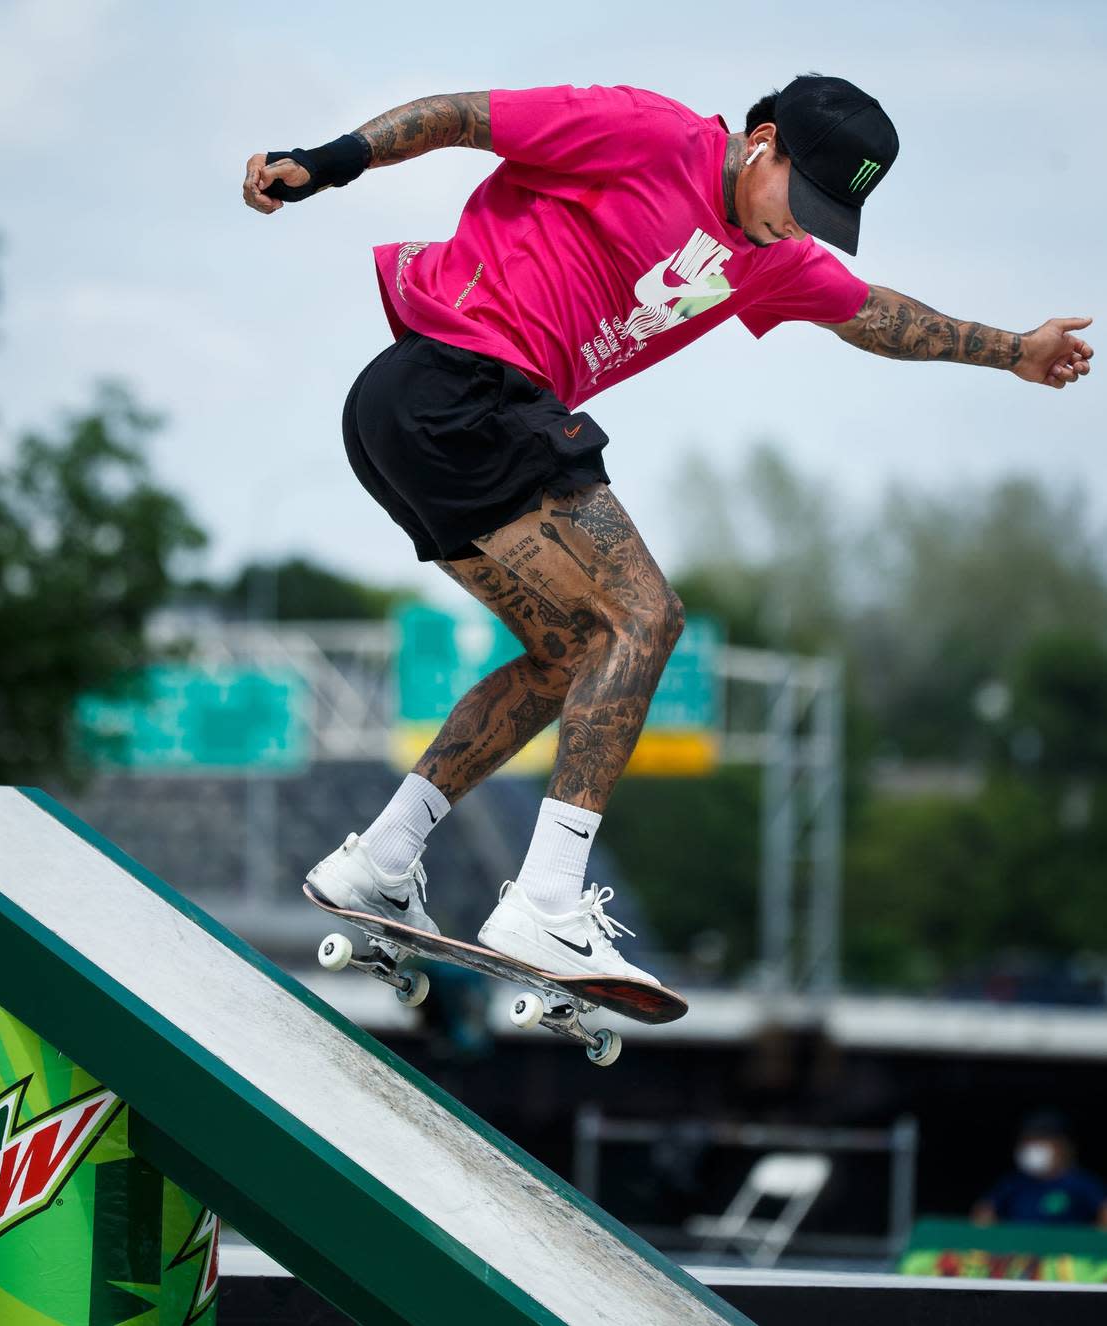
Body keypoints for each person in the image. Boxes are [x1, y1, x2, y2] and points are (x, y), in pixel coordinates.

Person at [242, 78, 1093, 985]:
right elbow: (468, 117)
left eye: (822, 219)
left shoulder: (772, 255)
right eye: (797, 200)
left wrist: (1015, 350)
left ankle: (380, 859)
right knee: (646, 619)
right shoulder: (647, 134)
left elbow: (874, 314)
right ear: (761, 142)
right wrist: (330, 162)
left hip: (416, 423)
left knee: (570, 654)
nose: (796, 227)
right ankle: (547, 902)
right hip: (464, 381)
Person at [972, 1111, 1107, 1228]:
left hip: (1066, 1255)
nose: (1032, 1147)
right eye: (1028, 1141)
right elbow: (984, 1214)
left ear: (1063, 1146)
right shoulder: (1013, 1184)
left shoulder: (1082, 1183)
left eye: (1041, 1140)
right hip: (1020, 1254)